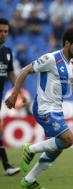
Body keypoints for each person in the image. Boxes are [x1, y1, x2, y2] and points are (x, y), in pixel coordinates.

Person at [5, 28, 73, 189]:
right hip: (43, 108)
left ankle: (29, 180)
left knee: (57, 148)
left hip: (57, 110)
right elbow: (25, 70)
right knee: (69, 139)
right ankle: (31, 149)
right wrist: (14, 94)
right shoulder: (51, 58)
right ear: (67, 44)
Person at [0, 18, 21, 176]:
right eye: (0, 31)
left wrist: (17, 91)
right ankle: (7, 166)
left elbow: (11, 73)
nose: (3, 34)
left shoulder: (7, 52)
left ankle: (7, 166)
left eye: (5, 31)